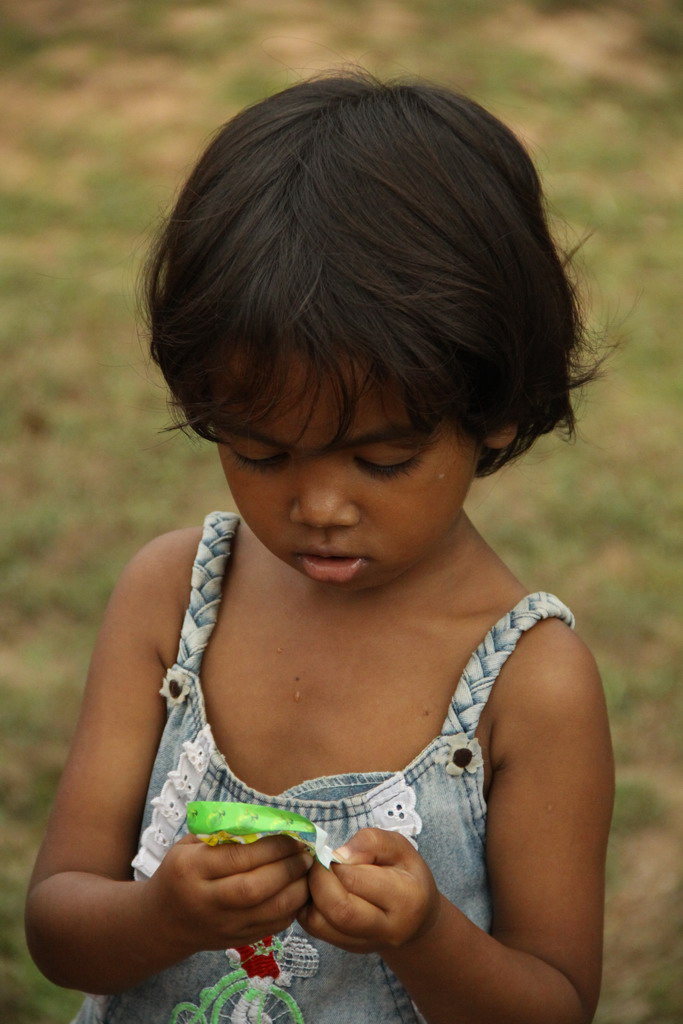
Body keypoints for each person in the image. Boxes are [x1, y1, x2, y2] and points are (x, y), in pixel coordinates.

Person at [25, 70, 613, 1024]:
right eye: (260, 452)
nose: (319, 506)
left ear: (497, 411)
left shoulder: (530, 685)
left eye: (380, 458)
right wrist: (161, 915)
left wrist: (426, 937)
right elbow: (57, 927)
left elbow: (553, 1003)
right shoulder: (171, 598)